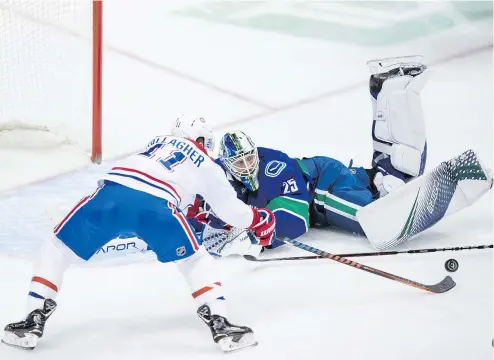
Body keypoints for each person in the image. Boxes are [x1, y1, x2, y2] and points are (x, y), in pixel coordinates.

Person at [2, 114, 277, 353]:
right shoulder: (206, 161)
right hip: (157, 206)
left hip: (110, 193)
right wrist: (258, 218)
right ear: (204, 140)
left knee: (57, 248)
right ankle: (220, 323)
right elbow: (232, 211)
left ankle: (33, 318)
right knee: (195, 260)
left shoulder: (152, 145)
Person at [199, 56, 431, 254]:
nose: (247, 166)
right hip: (326, 182)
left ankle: (397, 176)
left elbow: (297, 218)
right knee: (379, 181)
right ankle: (384, 174)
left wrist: (252, 238)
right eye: (239, 162)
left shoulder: (274, 168)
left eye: (250, 158)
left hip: (323, 186)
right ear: (227, 164)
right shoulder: (217, 173)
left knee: (378, 220)